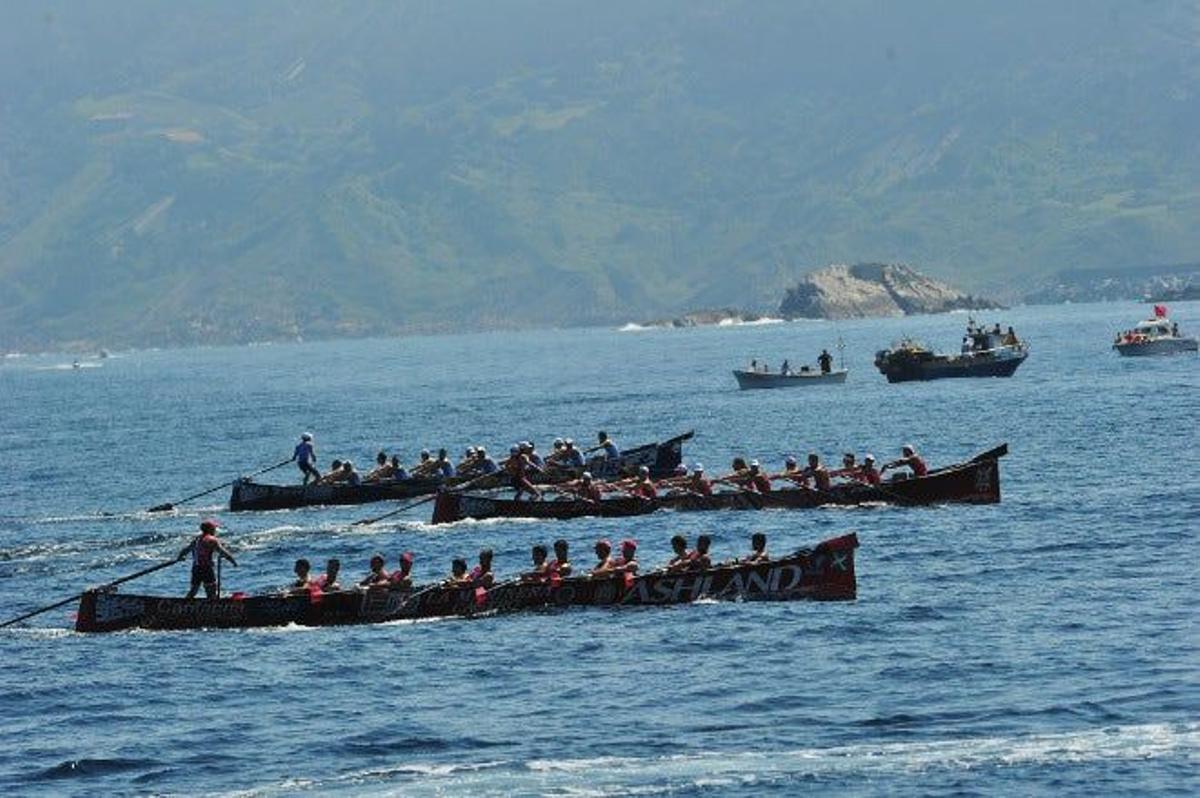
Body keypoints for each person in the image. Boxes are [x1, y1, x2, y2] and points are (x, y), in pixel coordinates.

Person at [178, 519, 237, 599]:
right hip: (206, 568)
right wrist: (232, 561)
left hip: (196, 568)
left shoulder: (197, 539)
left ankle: (184, 605)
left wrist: (180, 557)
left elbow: (185, 550)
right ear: (210, 529)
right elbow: (222, 552)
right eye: (214, 528)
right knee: (211, 591)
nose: (215, 530)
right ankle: (213, 607)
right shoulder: (212, 540)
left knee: (193, 590)